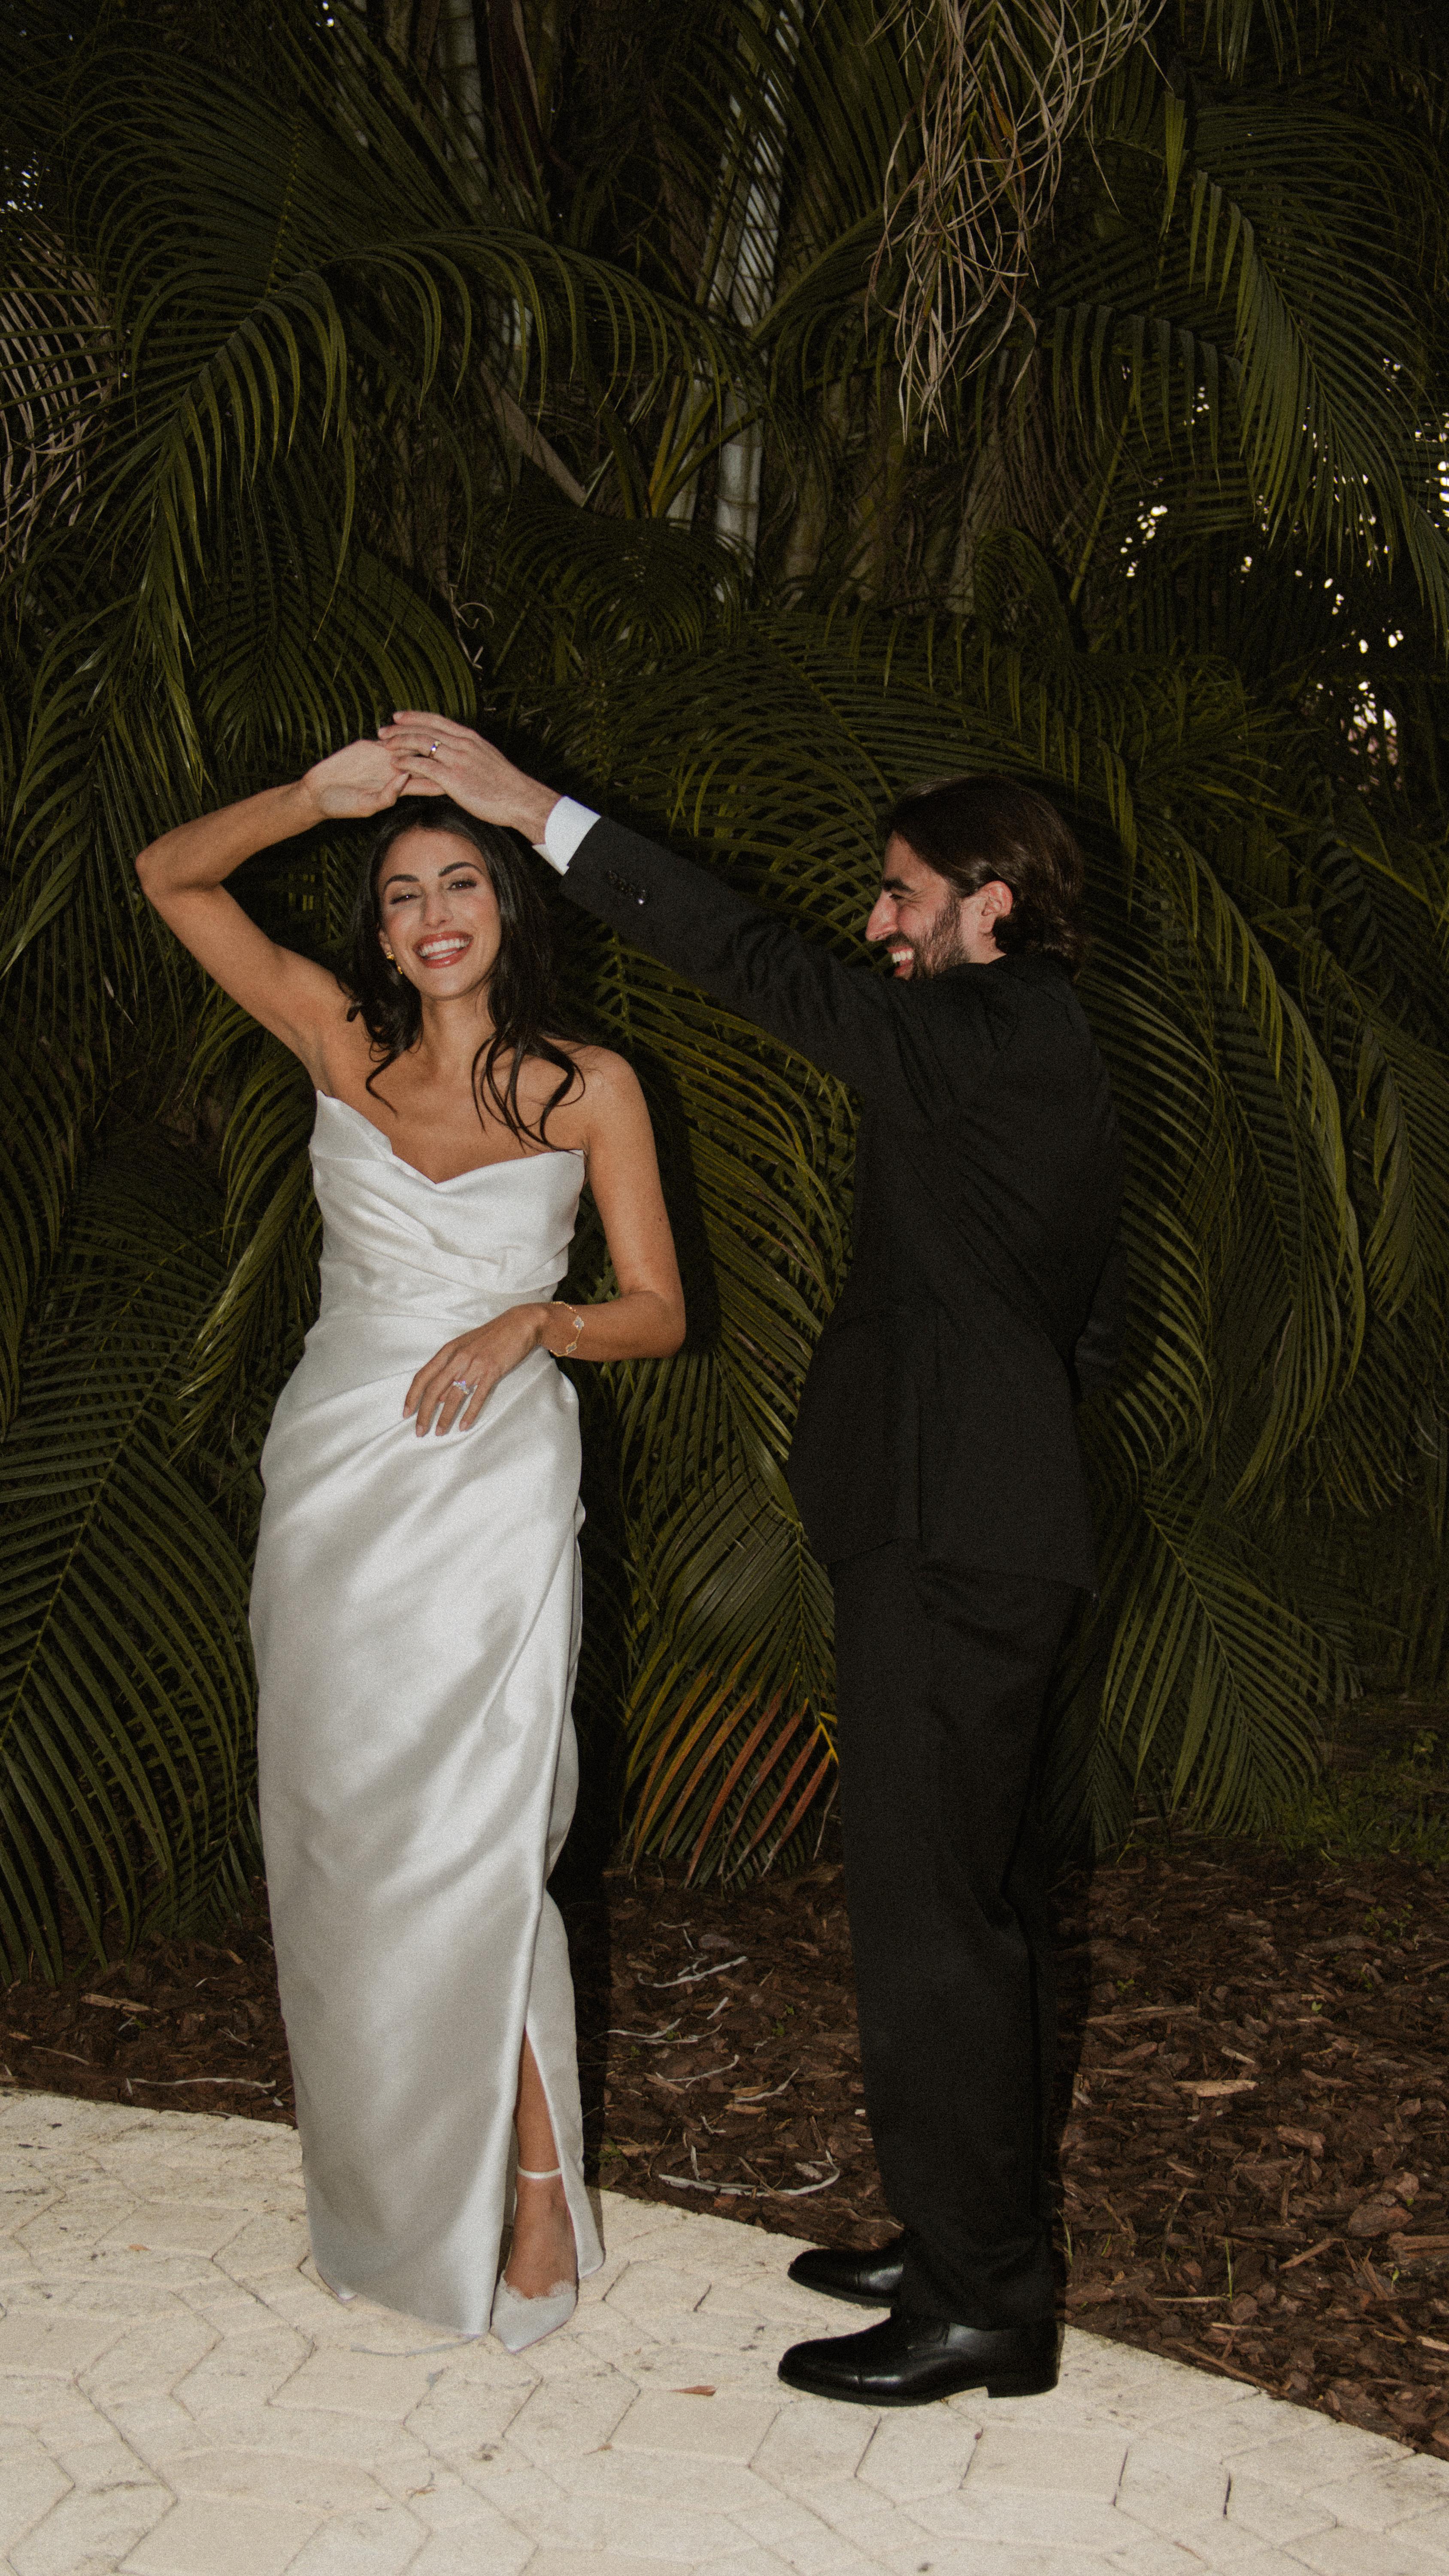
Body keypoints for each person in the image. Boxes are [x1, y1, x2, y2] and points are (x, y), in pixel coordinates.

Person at [376, 712, 1125, 2408]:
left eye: (902, 894)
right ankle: (964, 2242)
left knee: (933, 1923)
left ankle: (981, 2307)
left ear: (992, 904)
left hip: (954, 1529)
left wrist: (533, 812)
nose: (878, 922)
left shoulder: (984, 1025)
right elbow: (1092, 1318)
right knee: (964, 1905)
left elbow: (754, 963)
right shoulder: (1026, 1051)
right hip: (973, 1515)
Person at [135, 742, 685, 2348]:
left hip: (494, 1479)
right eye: (401, 894)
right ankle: (385, 2187)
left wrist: (534, 1321)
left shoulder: (588, 1086)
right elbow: (171, 875)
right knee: (344, 1836)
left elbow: (658, 1311)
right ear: (377, 932)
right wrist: (323, 800)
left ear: (505, 908)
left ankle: (536, 2186)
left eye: (459, 884)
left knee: (485, 1833)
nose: (434, 913)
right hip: (337, 1480)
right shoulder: (337, 1041)